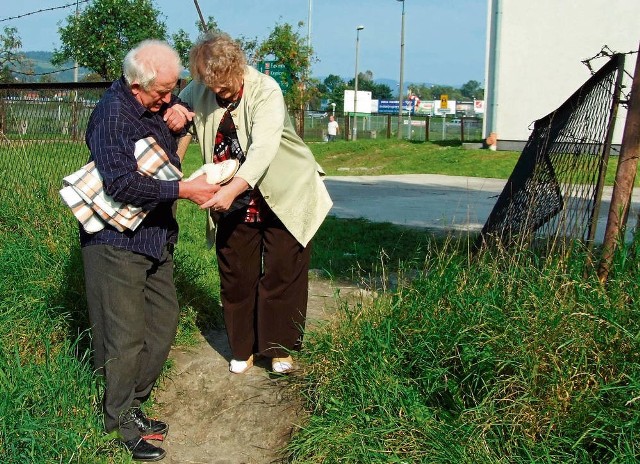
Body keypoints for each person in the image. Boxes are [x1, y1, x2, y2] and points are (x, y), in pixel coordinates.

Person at [81, 40, 219, 462]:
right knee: (124, 337)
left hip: (156, 236)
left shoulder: (158, 102)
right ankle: (119, 419)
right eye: (162, 92)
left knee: (162, 323)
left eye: (172, 89)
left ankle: (132, 401)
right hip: (116, 242)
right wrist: (185, 190)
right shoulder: (112, 115)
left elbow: (168, 148)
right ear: (136, 84)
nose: (168, 97)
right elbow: (121, 184)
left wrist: (179, 117)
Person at [178, 32, 333, 375]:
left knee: (282, 271)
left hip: (285, 191)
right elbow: (181, 126)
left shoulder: (266, 90)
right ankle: (243, 347)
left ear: (239, 67)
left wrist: (234, 188)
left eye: (226, 84)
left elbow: (263, 148)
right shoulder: (198, 89)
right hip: (230, 197)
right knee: (236, 273)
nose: (220, 92)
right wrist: (173, 175)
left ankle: (278, 349)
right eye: (212, 86)